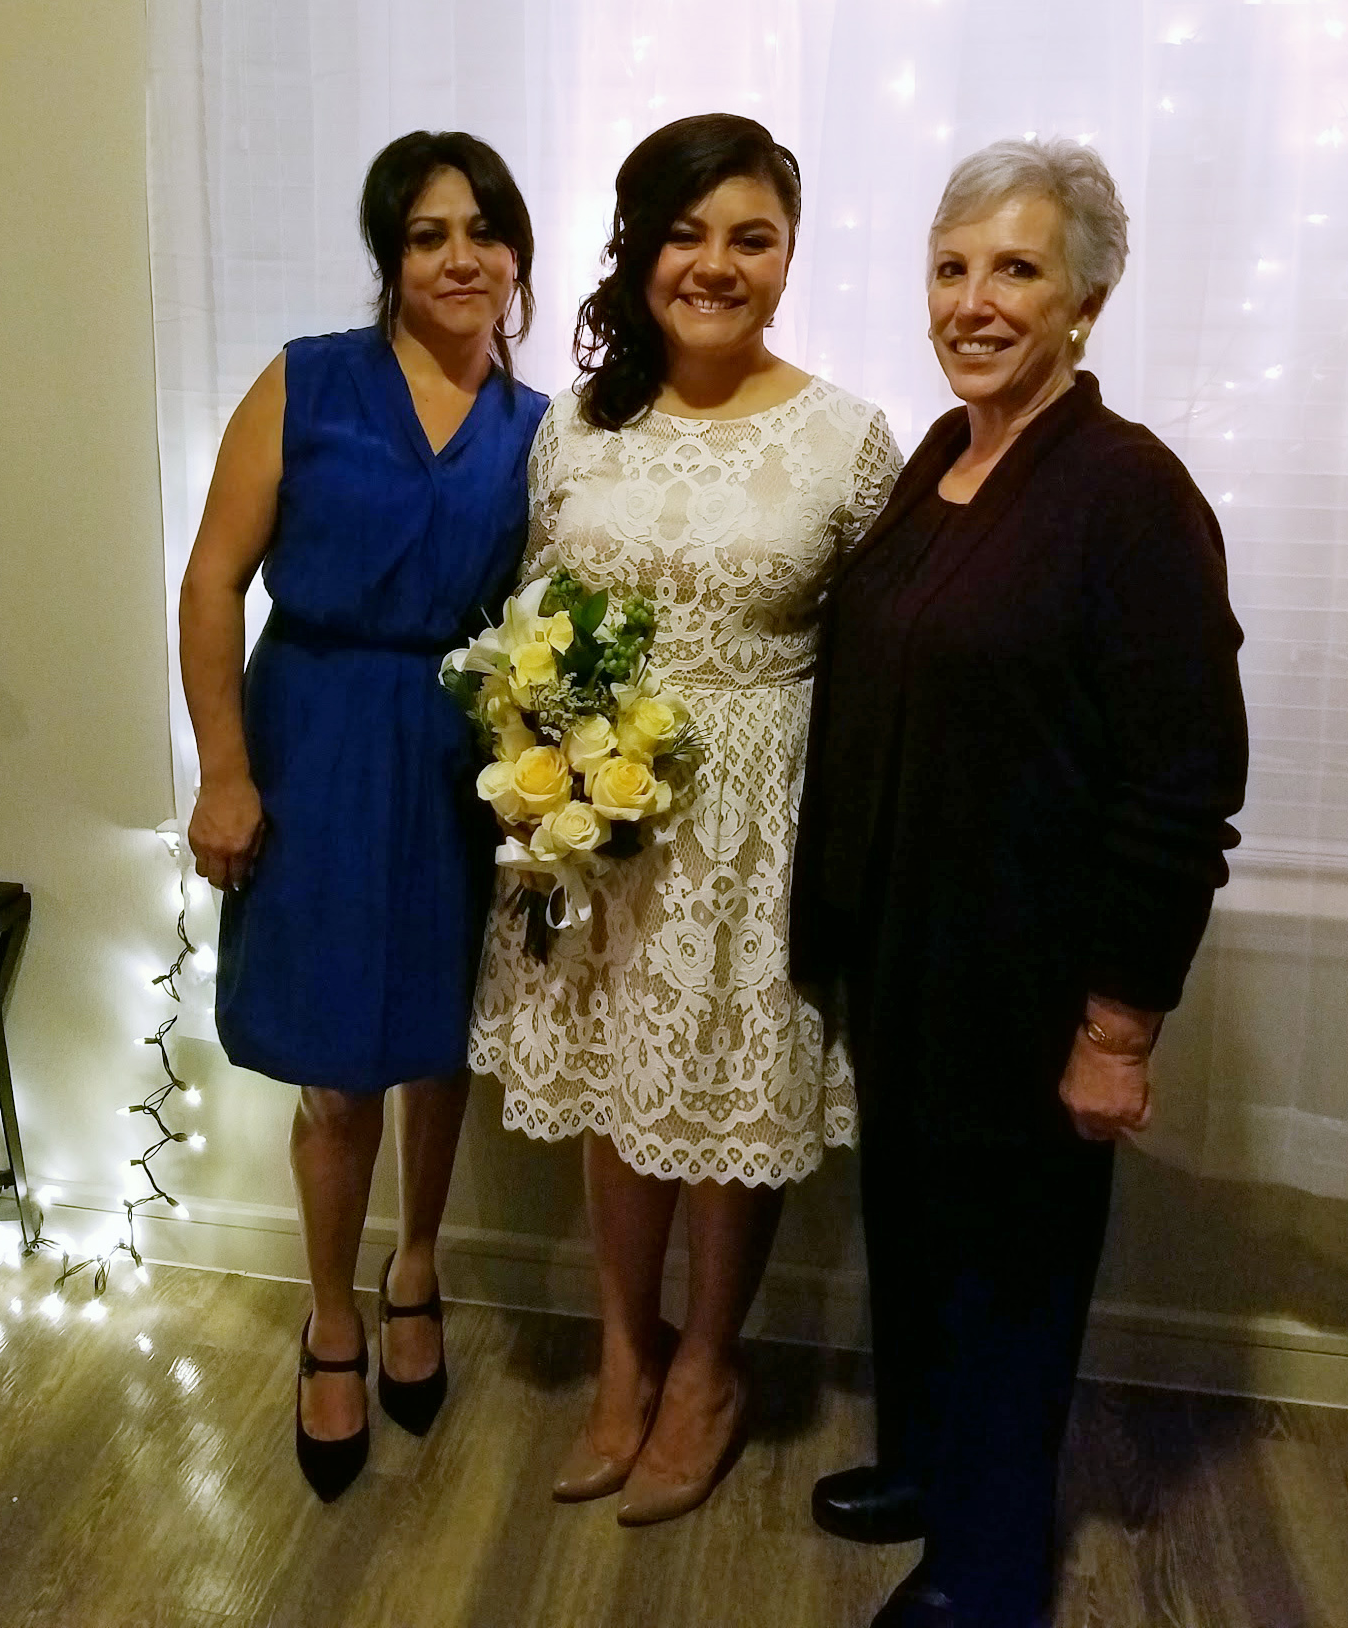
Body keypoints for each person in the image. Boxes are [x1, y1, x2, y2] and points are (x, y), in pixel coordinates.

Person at [791, 138, 1249, 1627]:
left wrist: (1117, 1024)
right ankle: (934, 1472)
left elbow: (1183, 783)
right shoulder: (947, 457)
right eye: (951, 266)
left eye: (1017, 269)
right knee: (922, 1245)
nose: (974, 302)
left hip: (1029, 972)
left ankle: (991, 1575)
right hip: (912, 958)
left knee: (1009, 1274)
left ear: (1086, 299)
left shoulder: (1130, 496)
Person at [471, 113, 900, 1526]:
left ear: (789, 258)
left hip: (758, 827)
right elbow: (532, 607)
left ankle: (710, 1367)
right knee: (615, 1088)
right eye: (686, 233)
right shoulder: (578, 427)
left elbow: (896, 655)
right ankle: (622, 1347)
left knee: (728, 1099)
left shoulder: (847, 438)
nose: (715, 264)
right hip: (597, 822)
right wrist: (541, 762)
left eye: (752, 237)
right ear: (641, 247)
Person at [179, 130, 546, 1502]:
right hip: (317, 738)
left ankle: (420, 1269)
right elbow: (214, 581)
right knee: (339, 1063)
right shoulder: (307, 382)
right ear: (391, 256)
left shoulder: (537, 427)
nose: (461, 257)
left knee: (440, 1040)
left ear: (516, 256)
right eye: (428, 233)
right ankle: (331, 1313)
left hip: (463, 756)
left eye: (485, 231)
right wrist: (227, 770)